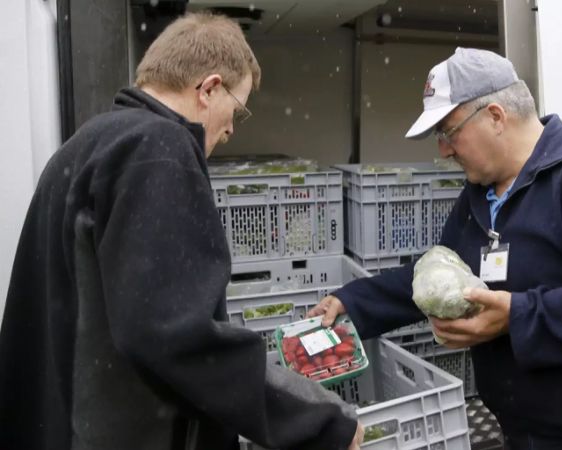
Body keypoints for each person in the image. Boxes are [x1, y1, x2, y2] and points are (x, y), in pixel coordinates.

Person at [0, 12, 362, 450]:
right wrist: (320, 420)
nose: (230, 128)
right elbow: (174, 334)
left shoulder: (85, 146)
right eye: (237, 110)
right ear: (209, 89)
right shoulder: (158, 149)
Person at [310, 47, 562, 449]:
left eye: (448, 131)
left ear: (495, 116)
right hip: (529, 435)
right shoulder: (479, 195)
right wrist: (352, 303)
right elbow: (443, 277)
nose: (443, 150)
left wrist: (518, 315)